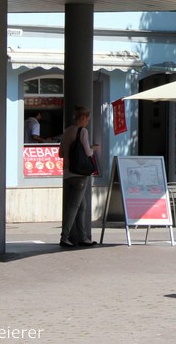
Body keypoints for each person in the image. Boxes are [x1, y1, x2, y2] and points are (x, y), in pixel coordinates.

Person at [58, 106, 99, 247]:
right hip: (80, 174)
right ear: (82, 117)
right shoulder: (82, 132)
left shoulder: (66, 131)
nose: (88, 121)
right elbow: (88, 153)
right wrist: (94, 148)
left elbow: (61, 154)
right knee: (74, 206)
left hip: (67, 173)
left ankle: (83, 237)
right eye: (87, 118)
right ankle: (65, 236)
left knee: (82, 206)